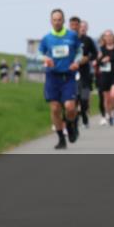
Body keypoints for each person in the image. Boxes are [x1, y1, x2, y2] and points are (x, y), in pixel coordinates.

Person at [38, 9, 82, 149]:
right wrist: (45, 58)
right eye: (54, 20)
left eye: (59, 19)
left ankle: (70, 125)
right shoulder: (47, 38)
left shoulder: (72, 36)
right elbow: (39, 53)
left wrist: (76, 62)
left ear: (63, 21)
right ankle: (61, 139)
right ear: (51, 21)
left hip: (68, 76)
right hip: (52, 77)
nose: (57, 22)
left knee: (70, 107)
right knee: (55, 108)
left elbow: (79, 51)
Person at [68, 16, 97, 128]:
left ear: (79, 26)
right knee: (74, 99)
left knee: (84, 99)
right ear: (69, 26)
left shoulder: (87, 40)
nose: (74, 27)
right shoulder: (66, 39)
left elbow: (94, 54)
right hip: (70, 73)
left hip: (84, 73)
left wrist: (87, 58)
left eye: (76, 25)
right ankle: (74, 122)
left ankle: (84, 115)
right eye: (72, 25)